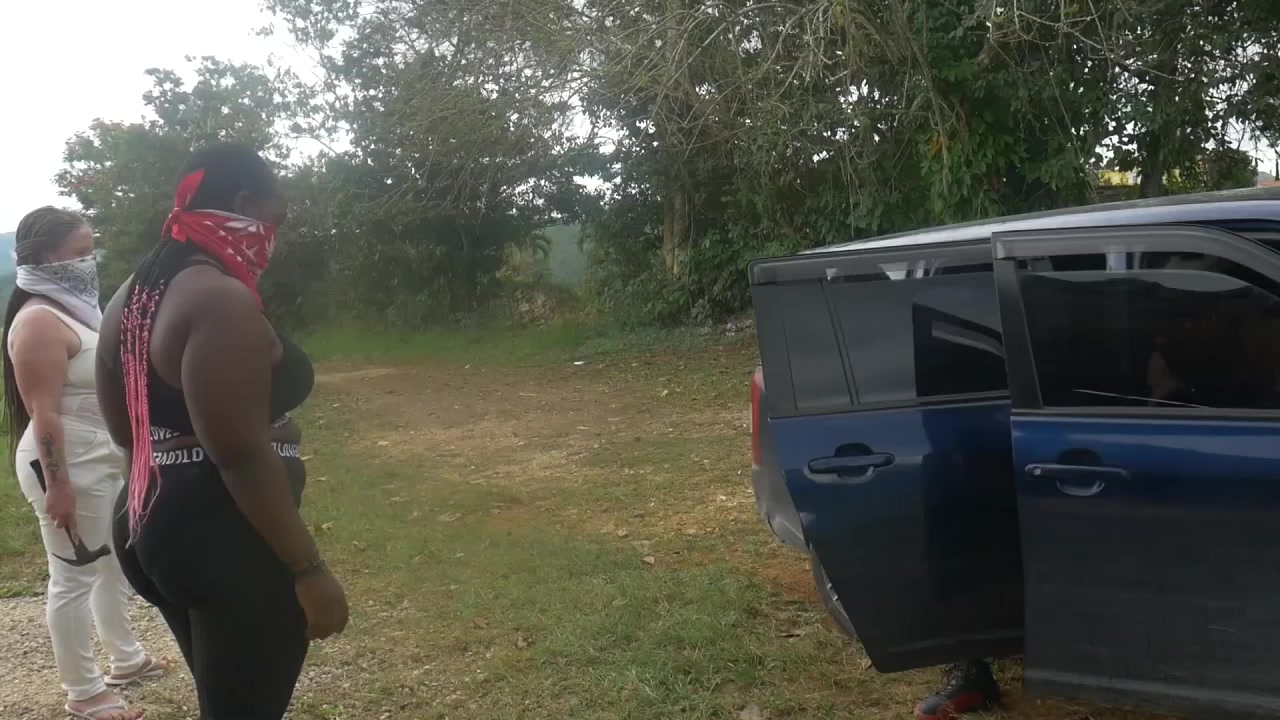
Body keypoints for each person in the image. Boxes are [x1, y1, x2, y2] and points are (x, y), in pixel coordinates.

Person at [95, 143, 349, 719]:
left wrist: (160, 501)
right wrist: (308, 569)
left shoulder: (133, 295)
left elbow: (127, 430)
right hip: (226, 538)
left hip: (150, 520)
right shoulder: (220, 300)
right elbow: (238, 454)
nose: (275, 236)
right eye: (277, 219)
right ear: (245, 204)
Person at [3, 206, 165, 720]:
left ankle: (127, 659)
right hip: (67, 465)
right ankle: (83, 692)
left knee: (111, 565)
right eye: (80, 252)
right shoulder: (38, 322)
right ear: (48, 256)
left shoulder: (72, 309)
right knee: (73, 577)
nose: (88, 261)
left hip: (98, 457)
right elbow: (44, 413)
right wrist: (59, 486)